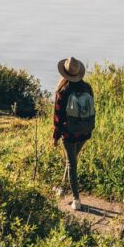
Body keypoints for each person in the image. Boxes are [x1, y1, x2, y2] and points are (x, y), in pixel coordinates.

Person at [53, 56, 95, 211]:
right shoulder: (87, 88)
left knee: (71, 164)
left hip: (69, 134)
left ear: (64, 73)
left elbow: (57, 117)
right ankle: (62, 188)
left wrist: (56, 136)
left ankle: (76, 199)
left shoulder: (63, 91)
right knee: (71, 160)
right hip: (85, 132)